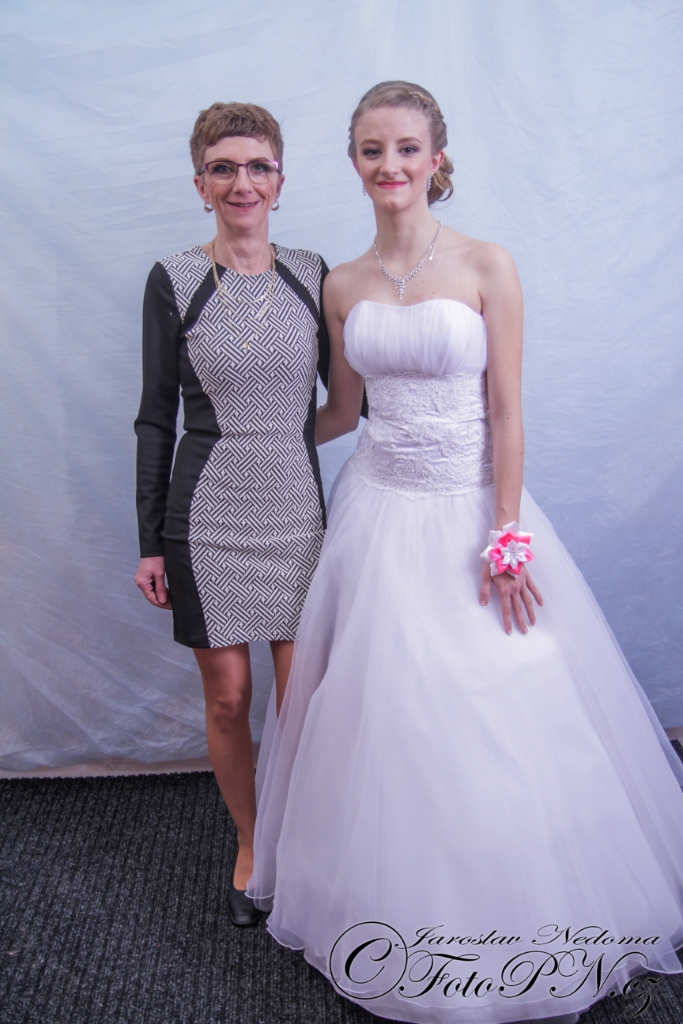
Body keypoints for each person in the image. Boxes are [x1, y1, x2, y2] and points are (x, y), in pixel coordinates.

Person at [248, 82, 683, 1021]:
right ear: (353, 162)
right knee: (381, 708)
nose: (390, 165)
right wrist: (246, 439)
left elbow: (508, 413)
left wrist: (507, 534)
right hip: (376, 510)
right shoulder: (342, 284)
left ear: (436, 158)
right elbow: (342, 412)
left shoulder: (487, 263)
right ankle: (386, 905)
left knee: (495, 697)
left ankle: (520, 907)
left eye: (407, 148)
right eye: (372, 149)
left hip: (471, 509)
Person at [134, 101, 331, 927]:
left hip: (297, 514)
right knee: (228, 699)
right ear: (200, 184)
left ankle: (306, 842)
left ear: (280, 181)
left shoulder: (313, 274)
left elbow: (351, 398)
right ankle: (251, 842)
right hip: (205, 516)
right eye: (223, 168)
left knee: (302, 702)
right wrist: (149, 542)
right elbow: (156, 417)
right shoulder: (174, 279)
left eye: (257, 167)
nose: (241, 182)